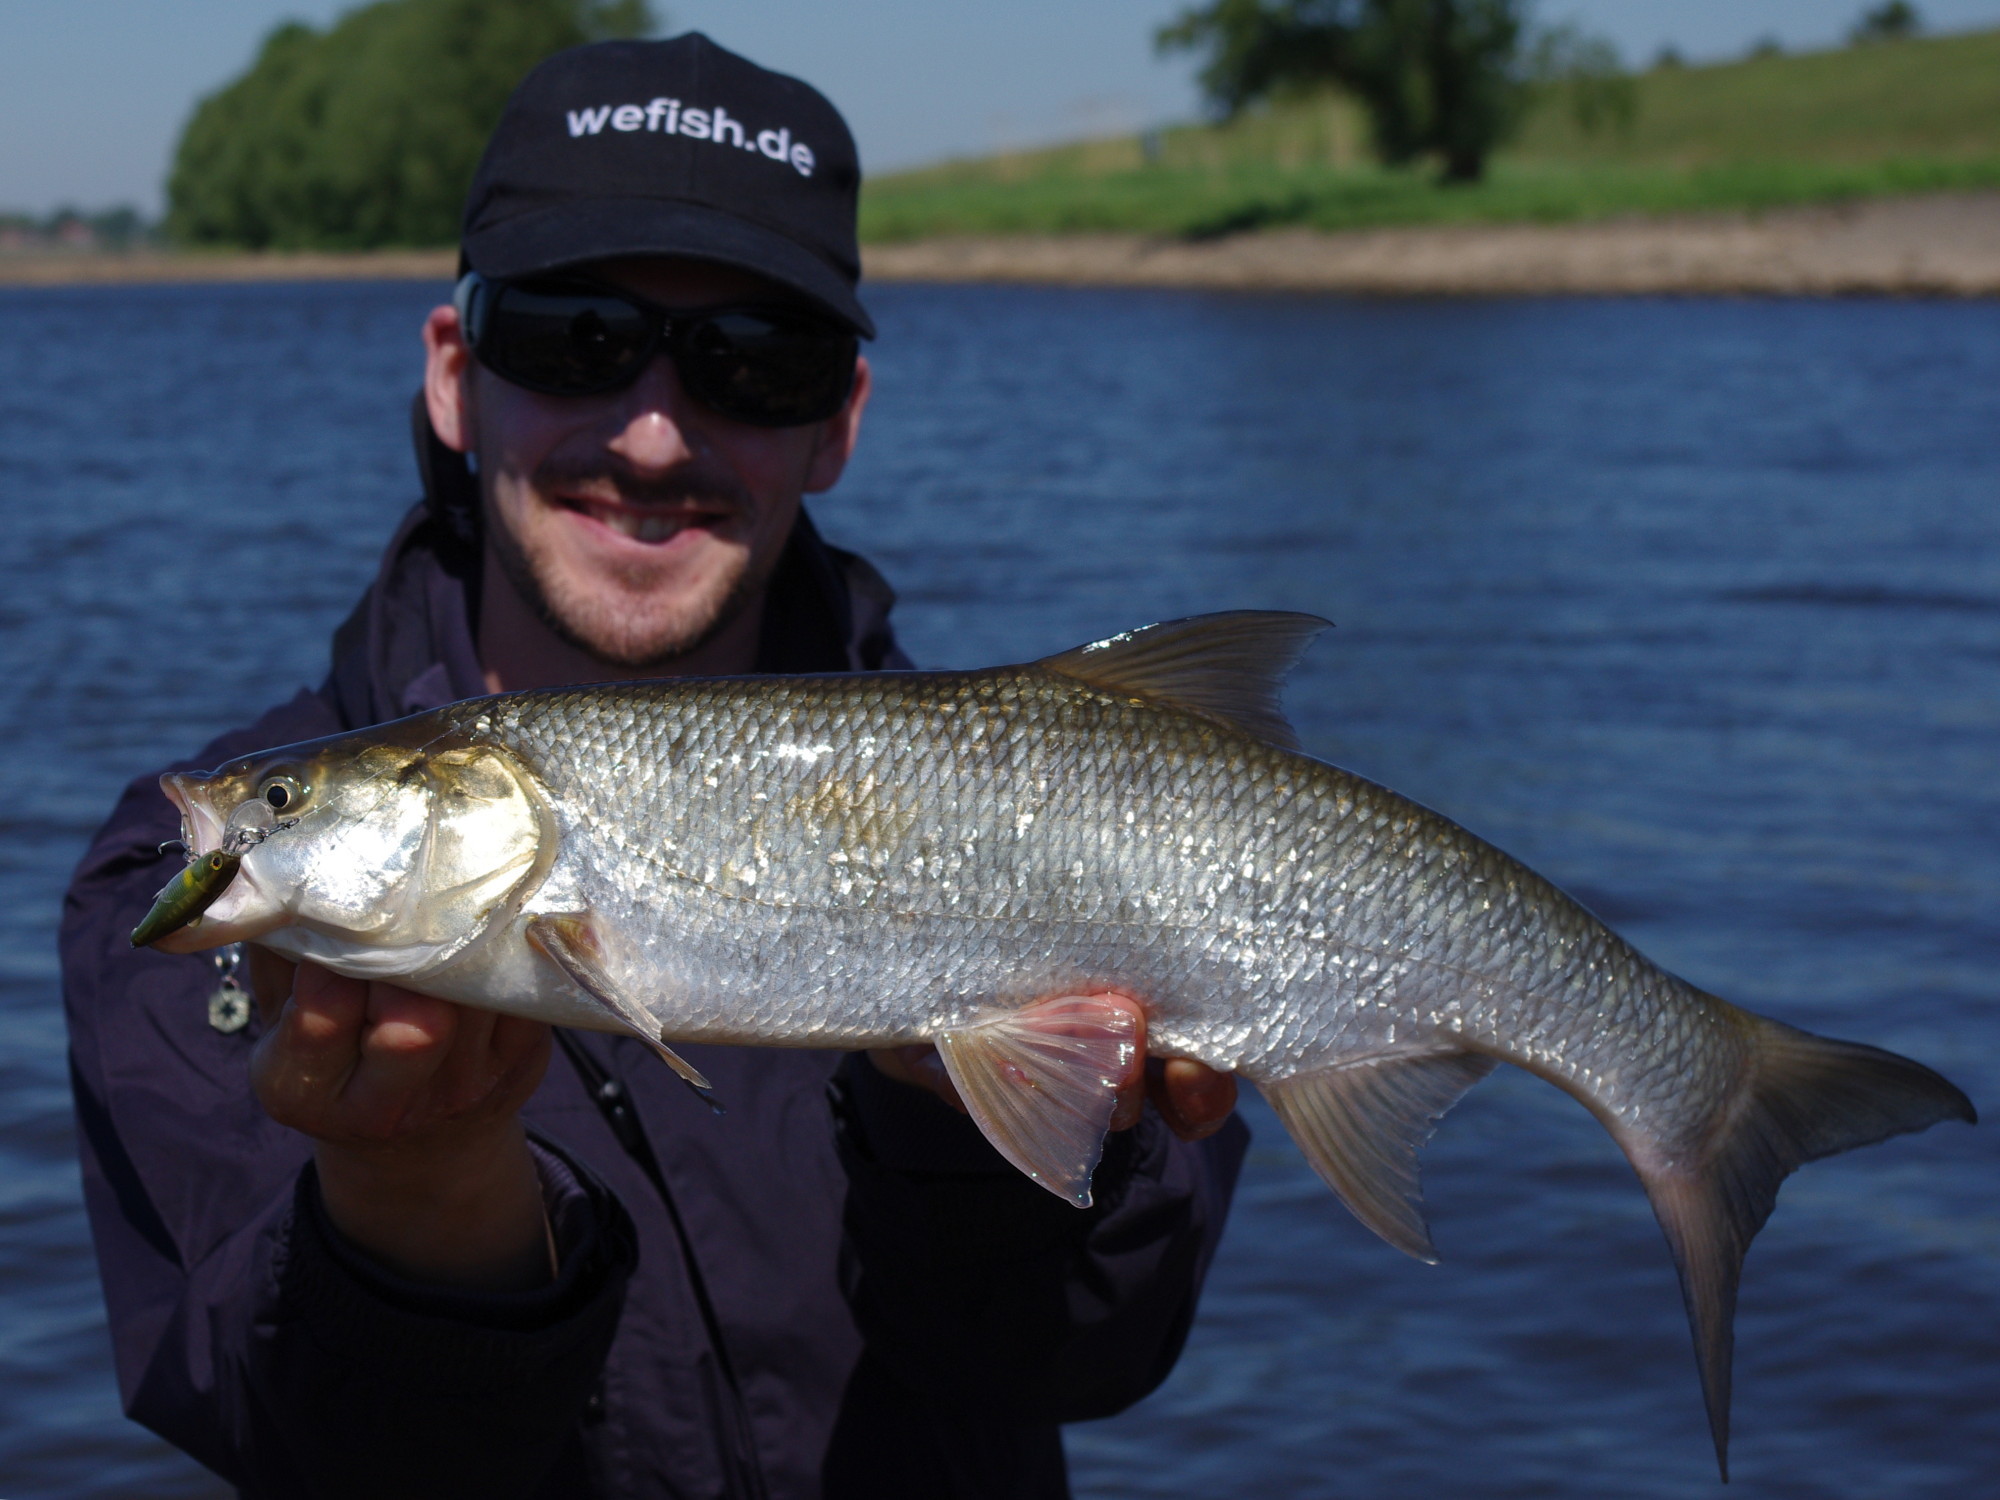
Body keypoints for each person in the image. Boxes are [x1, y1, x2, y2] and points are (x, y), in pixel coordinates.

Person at [61, 34, 1247, 1500]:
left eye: (756, 362)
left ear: (839, 422)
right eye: (576, 339)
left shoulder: (1063, 804)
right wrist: (415, 1210)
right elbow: (277, 1434)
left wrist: (971, 1118)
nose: (651, 430)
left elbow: (1093, 1358)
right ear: (454, 374)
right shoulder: (164, 886)